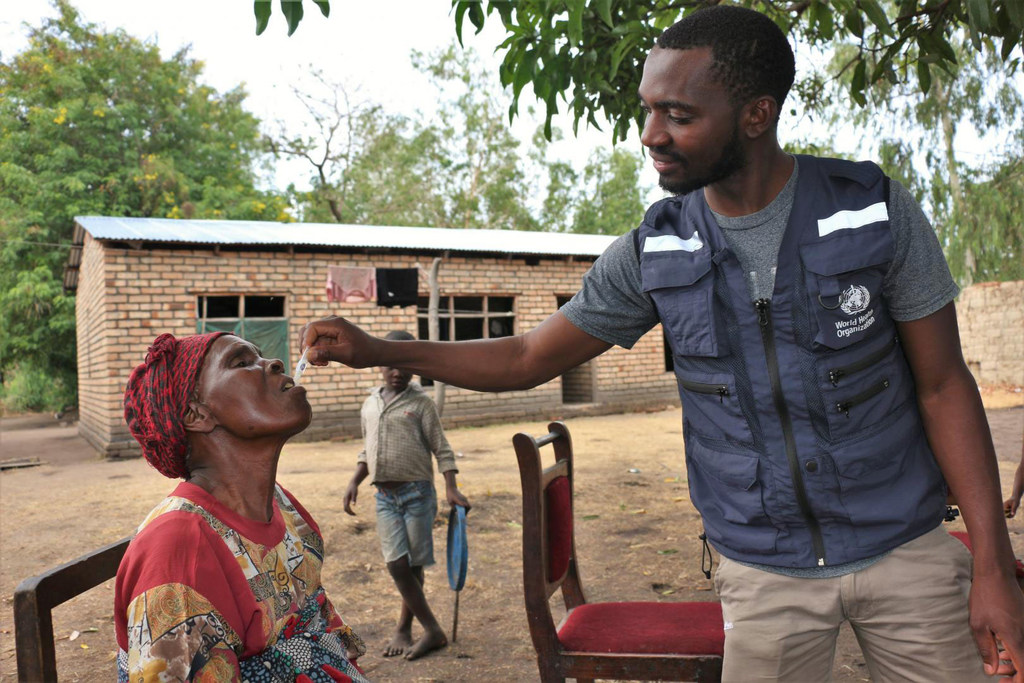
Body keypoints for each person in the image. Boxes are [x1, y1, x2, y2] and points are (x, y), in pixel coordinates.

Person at [298, 5, 1024, 682]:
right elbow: (525, 358)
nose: (651, 133)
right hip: (763, 572)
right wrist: (380, 349)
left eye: (678, 115)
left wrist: (991, 563)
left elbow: (943, 385)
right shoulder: (656, 250)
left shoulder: (872, 211)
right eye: (649, 109)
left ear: (755, 115)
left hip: (907, 553)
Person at [115, 332, 369, 682]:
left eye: (261, 356)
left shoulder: (281, 504)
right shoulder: (178, 551)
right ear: (196, 414)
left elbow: (319, 619)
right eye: (242, 362)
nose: (275, 363)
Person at [342, 330, 470, 661]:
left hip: (417, 494)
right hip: (384, 496)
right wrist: (355, 480)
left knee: (412, 565)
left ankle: (406, 627)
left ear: (413, 367)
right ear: (379, 365)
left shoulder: (421, 403)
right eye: (390, 365)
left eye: (404, 365)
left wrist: (451, 487)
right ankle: (432, 629)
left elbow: (442, 448)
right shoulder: (370, 403)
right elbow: (366, 448)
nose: (397, 372)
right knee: (396, 563)